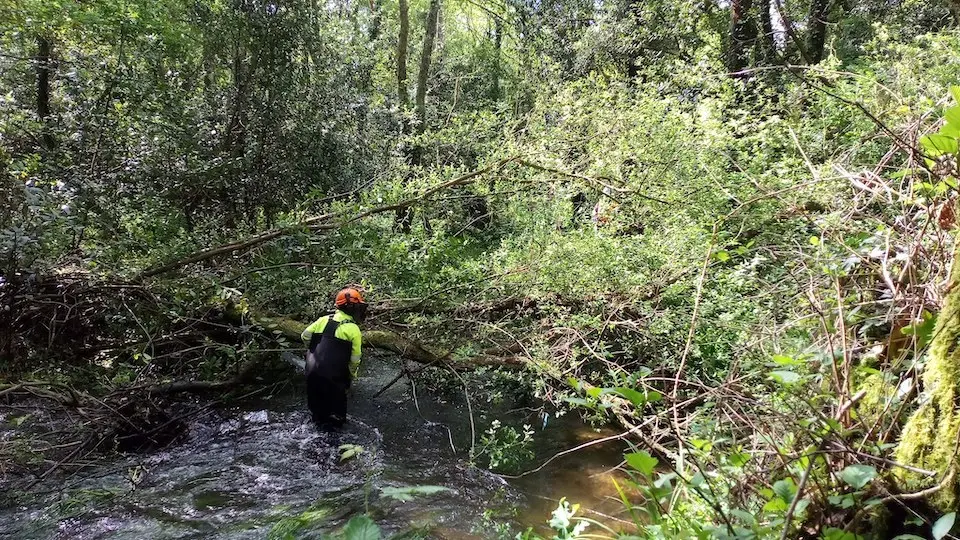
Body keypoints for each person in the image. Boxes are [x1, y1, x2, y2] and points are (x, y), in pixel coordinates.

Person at [301, 287, 367, 427]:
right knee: (336, 421)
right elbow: (355, 359)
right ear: (355, 308)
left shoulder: (323, 320)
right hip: (335, 379)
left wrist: (312, 349)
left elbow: (305, 335)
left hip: (312, 374)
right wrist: (351, 376)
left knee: (316, 418)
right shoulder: (353, 329)